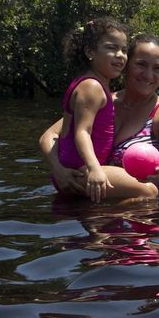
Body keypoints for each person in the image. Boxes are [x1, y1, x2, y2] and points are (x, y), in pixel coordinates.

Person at [40, 33, 159, 200]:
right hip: (83, 187)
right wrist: (58, 170)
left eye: (157, 68)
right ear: (126, 65)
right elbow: (49, 136)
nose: (148, 74)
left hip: (138, 207)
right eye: (141, 64)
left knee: (153, 198)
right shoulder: (102, 100)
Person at [55, 16, 129, 203]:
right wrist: (95, 168)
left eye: (124, 50)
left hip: (77, 170)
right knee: (149, 192)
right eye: (111, 48)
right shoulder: (92, 87)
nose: (120, 55)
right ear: (90, 52)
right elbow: (82, 131)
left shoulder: (90, 83)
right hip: (83, 170)